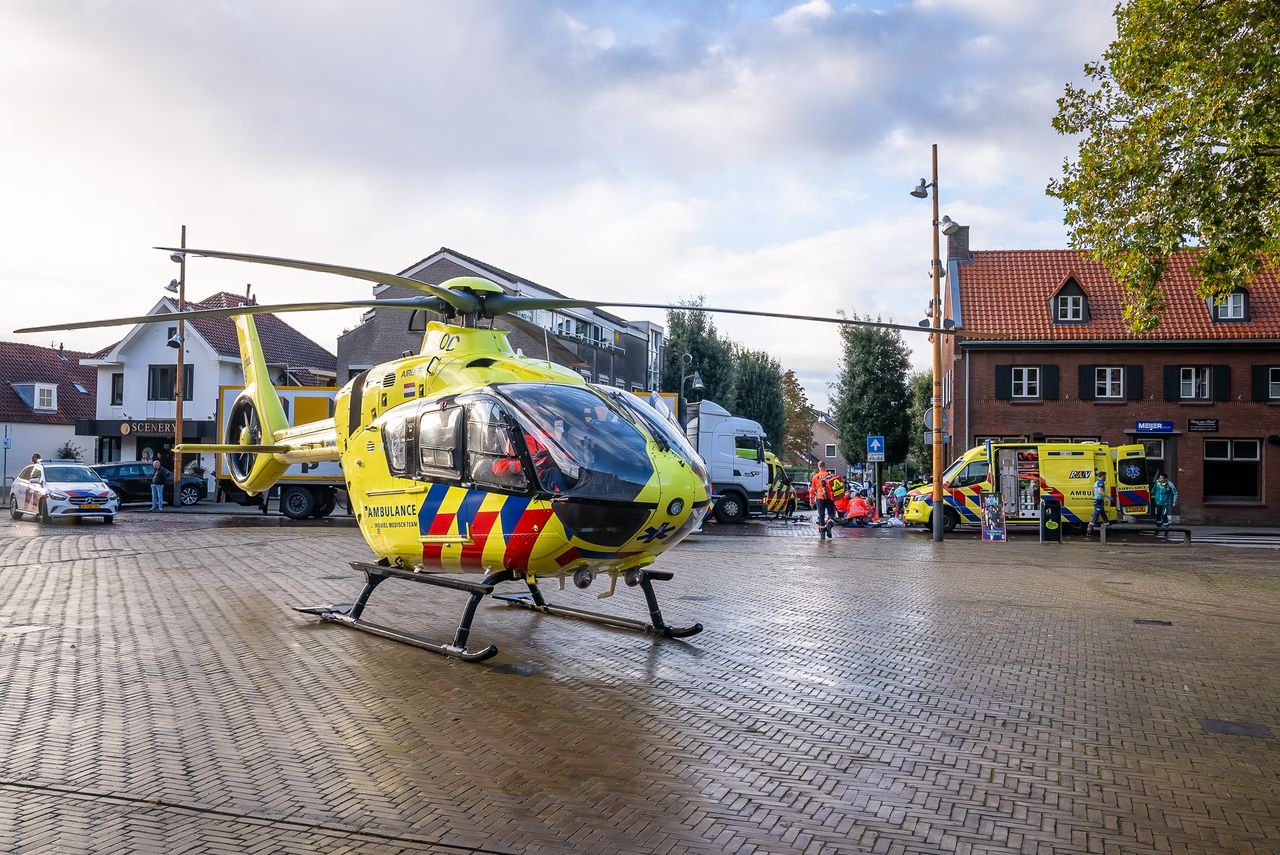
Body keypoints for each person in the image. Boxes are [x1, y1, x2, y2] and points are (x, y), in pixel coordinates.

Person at [810, 462, 837, 539]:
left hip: (820, 497)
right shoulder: (829, 475)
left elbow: (812, 490)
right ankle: (829, 526)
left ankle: (822, 534)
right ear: (825, 467)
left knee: (821, 515)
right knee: (831, 514)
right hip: (829, 497)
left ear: (818, 467)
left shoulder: (815, 477)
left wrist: (811, 501)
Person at [1086, 470, 1107, 535]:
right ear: (1102, 476)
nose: (1105, 477)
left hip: (1098, 500)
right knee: (1096, 514)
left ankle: (1107, 524)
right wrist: (1108, 496)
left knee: (1102, 513)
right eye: (1105, 476)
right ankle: (1089, 528)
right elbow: (1100, 491)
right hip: (1098, 500)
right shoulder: (1100, 482)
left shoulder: (1097, 482)